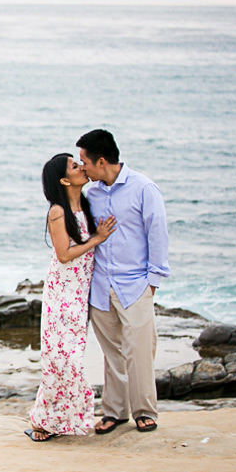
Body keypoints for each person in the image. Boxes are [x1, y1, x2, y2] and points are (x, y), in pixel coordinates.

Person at [76, 129, 170, 434]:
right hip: (100, 287)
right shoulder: (92, 194)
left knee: (140, 351)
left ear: (101, 161)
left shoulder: (144, 188)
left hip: (135, 285)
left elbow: (157, 233)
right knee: (112, 353)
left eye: (84, 162)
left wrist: (152, 282)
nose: (82, 168)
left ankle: (145, 411)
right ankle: (115, 412)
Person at [26, 154, 116, 442]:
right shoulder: (57, 212)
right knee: (59, 358)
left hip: (80, 292)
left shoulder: (87, 205)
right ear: (65, 180)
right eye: (75, 166)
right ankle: (42, 419)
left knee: (71, 356)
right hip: (61, 291)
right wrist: (97, 239)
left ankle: (59, 420)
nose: (81, 168)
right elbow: (64, 255)